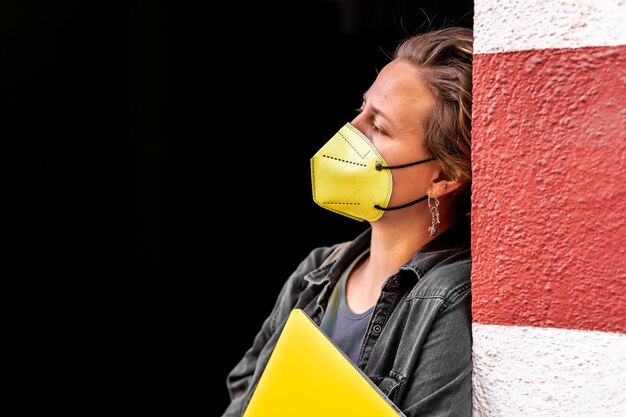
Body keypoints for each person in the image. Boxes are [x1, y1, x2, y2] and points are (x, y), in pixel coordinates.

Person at [222, 26, 473, 417]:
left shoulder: (447, 301)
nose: (349, 132)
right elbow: (243, 397)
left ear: (443, 178)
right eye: (362, 110)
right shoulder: (317, 271)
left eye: (379, 127)